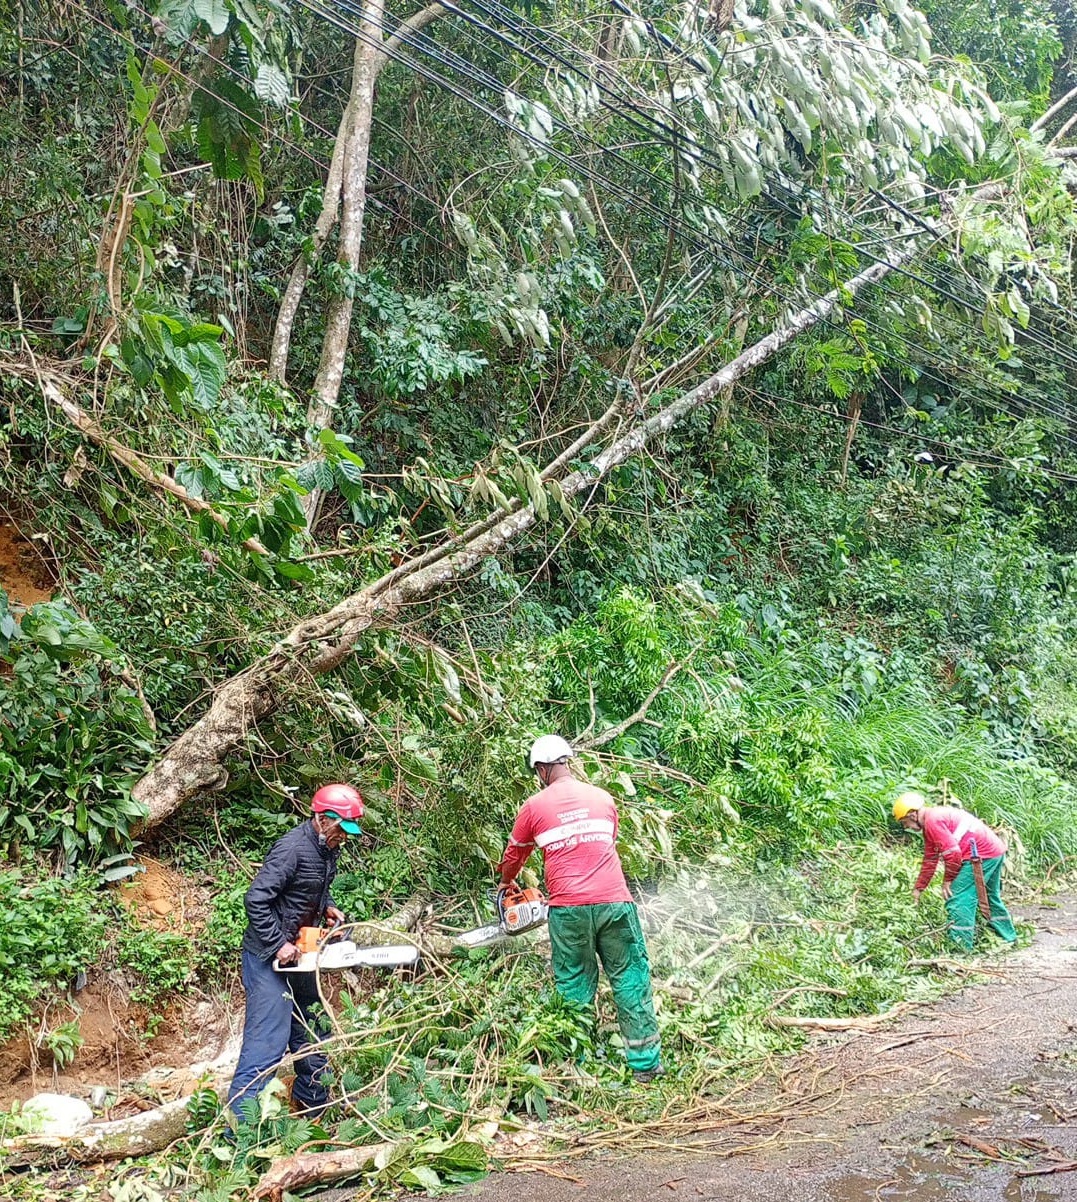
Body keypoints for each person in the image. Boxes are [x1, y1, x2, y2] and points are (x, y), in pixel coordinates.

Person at [498, 735, 663, 1082]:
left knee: (573, 983)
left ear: (541, 770)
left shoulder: (533, 807)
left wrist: (506, 884)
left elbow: (515, 854)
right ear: (567, 761)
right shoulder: (603, 798)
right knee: (630, 978)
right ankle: (646, 1064)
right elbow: (603, 847)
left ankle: (579, 1065)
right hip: (615, 903)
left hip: (569, 910)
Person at [226, 783, 364, 1123]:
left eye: (348, 832)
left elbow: (311, 888)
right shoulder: (291, 849)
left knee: (314, 1030)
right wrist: (278, 943)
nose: (343, 838)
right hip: (267, 959)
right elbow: (256, 900)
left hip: (301, 954)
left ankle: (313, 1109)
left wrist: (327, 907)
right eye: (340, 829)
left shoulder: (327, 848)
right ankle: (239, 1133)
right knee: (267, 1045)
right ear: (321, 818)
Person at [893, 790, 1017, 950]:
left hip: (979, 856)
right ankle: (1009, 937)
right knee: (988, 896)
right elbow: (930, 860)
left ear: (912, 815)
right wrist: (919, 888)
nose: (906, 827)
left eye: (904, 823)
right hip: (993, 851)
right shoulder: (932, 820)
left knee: (958, 897)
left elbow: (953, 854)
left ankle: (960, 947)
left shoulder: (932, 822)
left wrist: (948, 880)